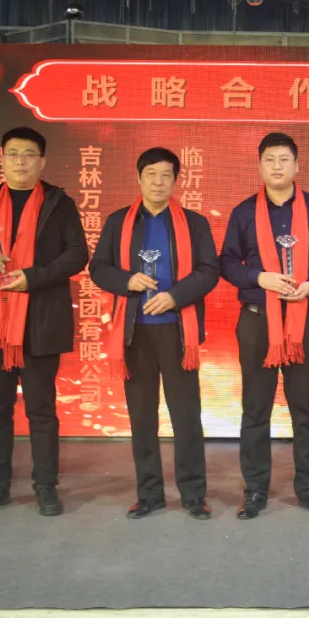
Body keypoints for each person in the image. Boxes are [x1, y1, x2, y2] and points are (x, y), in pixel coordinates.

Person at [0, 126, 87, 517]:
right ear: (2, 159)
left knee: (41, 411)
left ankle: (46, 486)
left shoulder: (59, 203)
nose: (21, 161)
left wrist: (34, 276)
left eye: (29, 155)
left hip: (40, 322)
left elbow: (77, 255)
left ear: (42, 162)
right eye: (13, 154)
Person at [219, 132, 309, 520]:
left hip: (305, 320)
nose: (277, 166)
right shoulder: (243, 212)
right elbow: (227, 263)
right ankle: (255, 490)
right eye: (270, 159)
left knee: (305, 409)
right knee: (255, 409)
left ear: (297, 165)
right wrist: (259, 278)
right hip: (258, 321)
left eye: (284, 159)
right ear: (259, 166)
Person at [90, 148, 219, 520]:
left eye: (166, 175)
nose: (159, 182)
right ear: (139, 178)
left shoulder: (194, 223)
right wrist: (127, 280)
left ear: (176, 180)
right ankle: (149, 494)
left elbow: (209, 271)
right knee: (142, 417)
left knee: (186, 416)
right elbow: (98, 267)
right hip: (135, 335)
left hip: (179, 333)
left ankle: (193, 494)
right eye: (151, 174)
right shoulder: (119, 221)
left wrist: (175, 296)